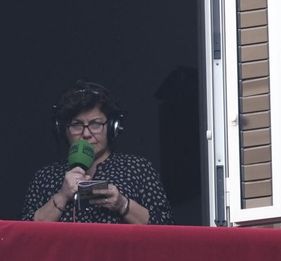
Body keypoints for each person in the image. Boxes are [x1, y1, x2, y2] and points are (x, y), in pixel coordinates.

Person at [22, 80, 172, 225]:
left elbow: (166, 227)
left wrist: (122, 204)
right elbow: (23, 237)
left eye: (95, 124)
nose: (86, 134)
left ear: (112, 127)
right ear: (63, 130)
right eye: (76, 125)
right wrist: (62, 196)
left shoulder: (139, 169)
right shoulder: (45, 177)